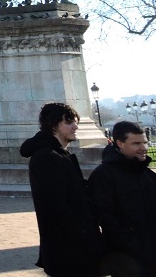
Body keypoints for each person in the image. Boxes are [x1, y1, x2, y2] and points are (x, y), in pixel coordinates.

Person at [19, 103, 102, 276]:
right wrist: (83, 232)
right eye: (69, 122)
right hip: (69, 251)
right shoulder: (47, 158)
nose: (75, 126)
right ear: (53, 125)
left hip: (75, 246)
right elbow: (55, 208)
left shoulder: (57, 155)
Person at [89, 121, 156, 276]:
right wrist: (130, 243)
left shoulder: (149, 175)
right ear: (119, 143)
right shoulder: (103, 176)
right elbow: (105, 217)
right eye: (136, 143)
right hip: (127, 261)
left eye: (145, 142)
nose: (144, 148)